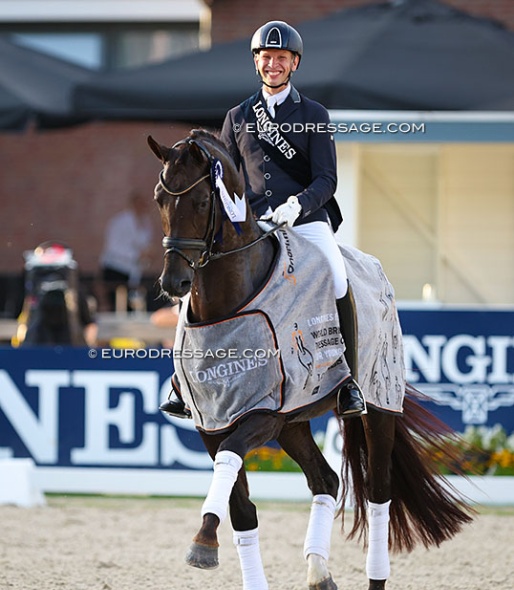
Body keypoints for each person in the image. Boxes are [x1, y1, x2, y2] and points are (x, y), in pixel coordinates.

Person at [161, 20, 365, 419]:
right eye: (266, 57)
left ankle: (348, 383)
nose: (273, 64)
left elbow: (327, 178)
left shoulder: (314, 113)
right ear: (257, 62)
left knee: (337, 276)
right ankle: (181, 383)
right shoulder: (237, 116)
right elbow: (226, 179)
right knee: (196, 286)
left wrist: (298, 205)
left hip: (305, 219)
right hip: (252, 225)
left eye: (281, 58)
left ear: (294, 64)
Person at [99, 190, 153, 311]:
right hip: (115, 267)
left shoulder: (146, 222)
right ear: (133, 204)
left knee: (133, 306)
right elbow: (113, 246)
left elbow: (144, 243)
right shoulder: (119, 222)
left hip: (134, 271)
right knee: (116, 306)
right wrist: (137, 254)